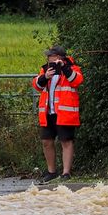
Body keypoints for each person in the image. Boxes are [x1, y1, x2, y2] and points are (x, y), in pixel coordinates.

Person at [32, 45, 83, 183]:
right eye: (48, 56)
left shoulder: (71, 68)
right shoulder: (45, 69)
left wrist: (64, 68)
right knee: (46, 141)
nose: (48, 58)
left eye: (51, 56)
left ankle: (66, 173)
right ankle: (51, 171)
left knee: (66, 141)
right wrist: (45, 77)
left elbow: (77, 80)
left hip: (65, 113)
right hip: (48, 112)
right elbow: (36, 85)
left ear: (60, 57)